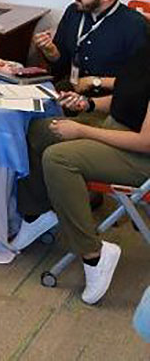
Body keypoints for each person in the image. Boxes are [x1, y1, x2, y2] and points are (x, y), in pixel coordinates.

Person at [13, 46, 150, 304]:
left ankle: (94, 254)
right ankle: (37, 214)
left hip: (141, 158)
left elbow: (146, 142)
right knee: (39, 129)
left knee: (59, 159)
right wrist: (87, 104)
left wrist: (82, 131)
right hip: (120, 131)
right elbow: (130, 94)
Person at [31, 0, 146, 95]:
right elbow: (61, 65)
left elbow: (140, 81)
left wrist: (95, 81)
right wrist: (50, 51)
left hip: (109, 102)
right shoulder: (73, 12)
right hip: (68, 92)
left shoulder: (134, 25)